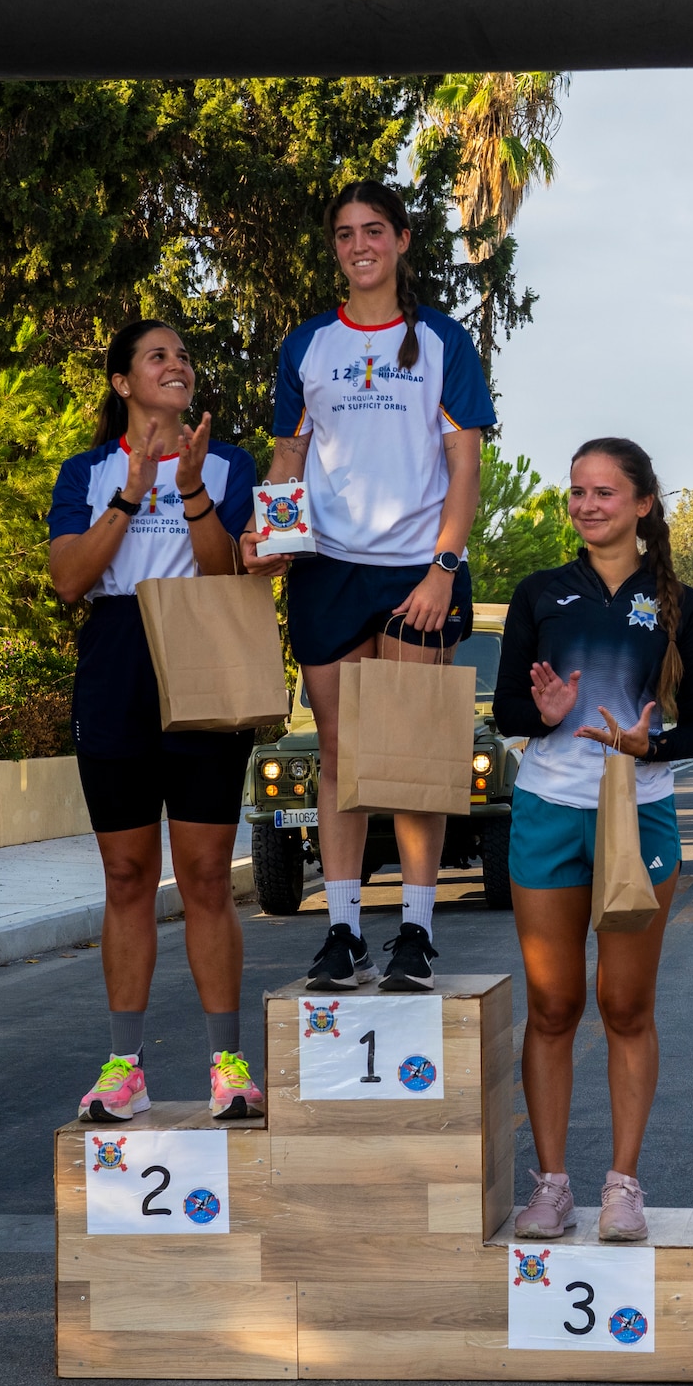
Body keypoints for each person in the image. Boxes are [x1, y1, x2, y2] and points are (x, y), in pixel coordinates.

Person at [243, 179, 494, 993]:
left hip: (418, 572)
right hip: (326, 570)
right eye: (346, 233)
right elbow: (290, 456)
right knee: (346, 755)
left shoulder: (444, 341)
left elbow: (464, 467)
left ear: (403, 241)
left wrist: (442, 569)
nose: (360, 245)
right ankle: (344, 929)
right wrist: (271, 537)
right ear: (337, 247)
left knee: (411, 755)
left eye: (375, 230)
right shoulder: (307, 344)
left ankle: (416, 933)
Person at [491, 438, 693, 1242]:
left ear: (643, 505)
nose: (588, 505)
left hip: (640, 815)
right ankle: (551, 1185)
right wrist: (544, 716)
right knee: (553, 1005)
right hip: (550, 809)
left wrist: (644, 748)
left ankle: (623, 1186)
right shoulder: (539, 593)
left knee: (626, 1006)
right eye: (578, 492)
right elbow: (508, 716)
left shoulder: (681, 605)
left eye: (606, 493)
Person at [48, 319, 267, 1125]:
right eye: (157, 356)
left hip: (203, 652)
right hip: (116, 659)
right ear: (122, 383)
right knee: (128, 877)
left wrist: (191, 485)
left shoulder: (228, 463)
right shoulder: (87, 470)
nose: (176, 366)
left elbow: (225, 572)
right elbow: (69, 580)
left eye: (182, 356)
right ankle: (124, 1066)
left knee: (208, 876)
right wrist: (131, 490)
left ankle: (228, 1066)